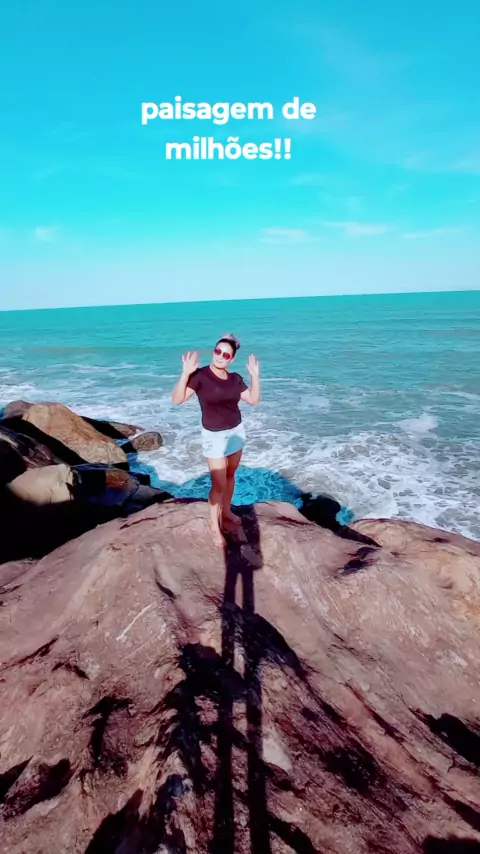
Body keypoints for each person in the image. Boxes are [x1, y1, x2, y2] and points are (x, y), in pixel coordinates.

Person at [171, 334, 261, 548]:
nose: (220, 356)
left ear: (232, 359)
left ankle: (226, 511)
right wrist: (185, 374)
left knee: (230, 475)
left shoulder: (235, 379)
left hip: (235, 432)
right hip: (213, 436)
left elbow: (253, 400)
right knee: (218, 483)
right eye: (217, 351)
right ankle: (214, 525)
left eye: (226, 354)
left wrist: (255, 376)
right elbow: (177, 400)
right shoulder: (200, 376)